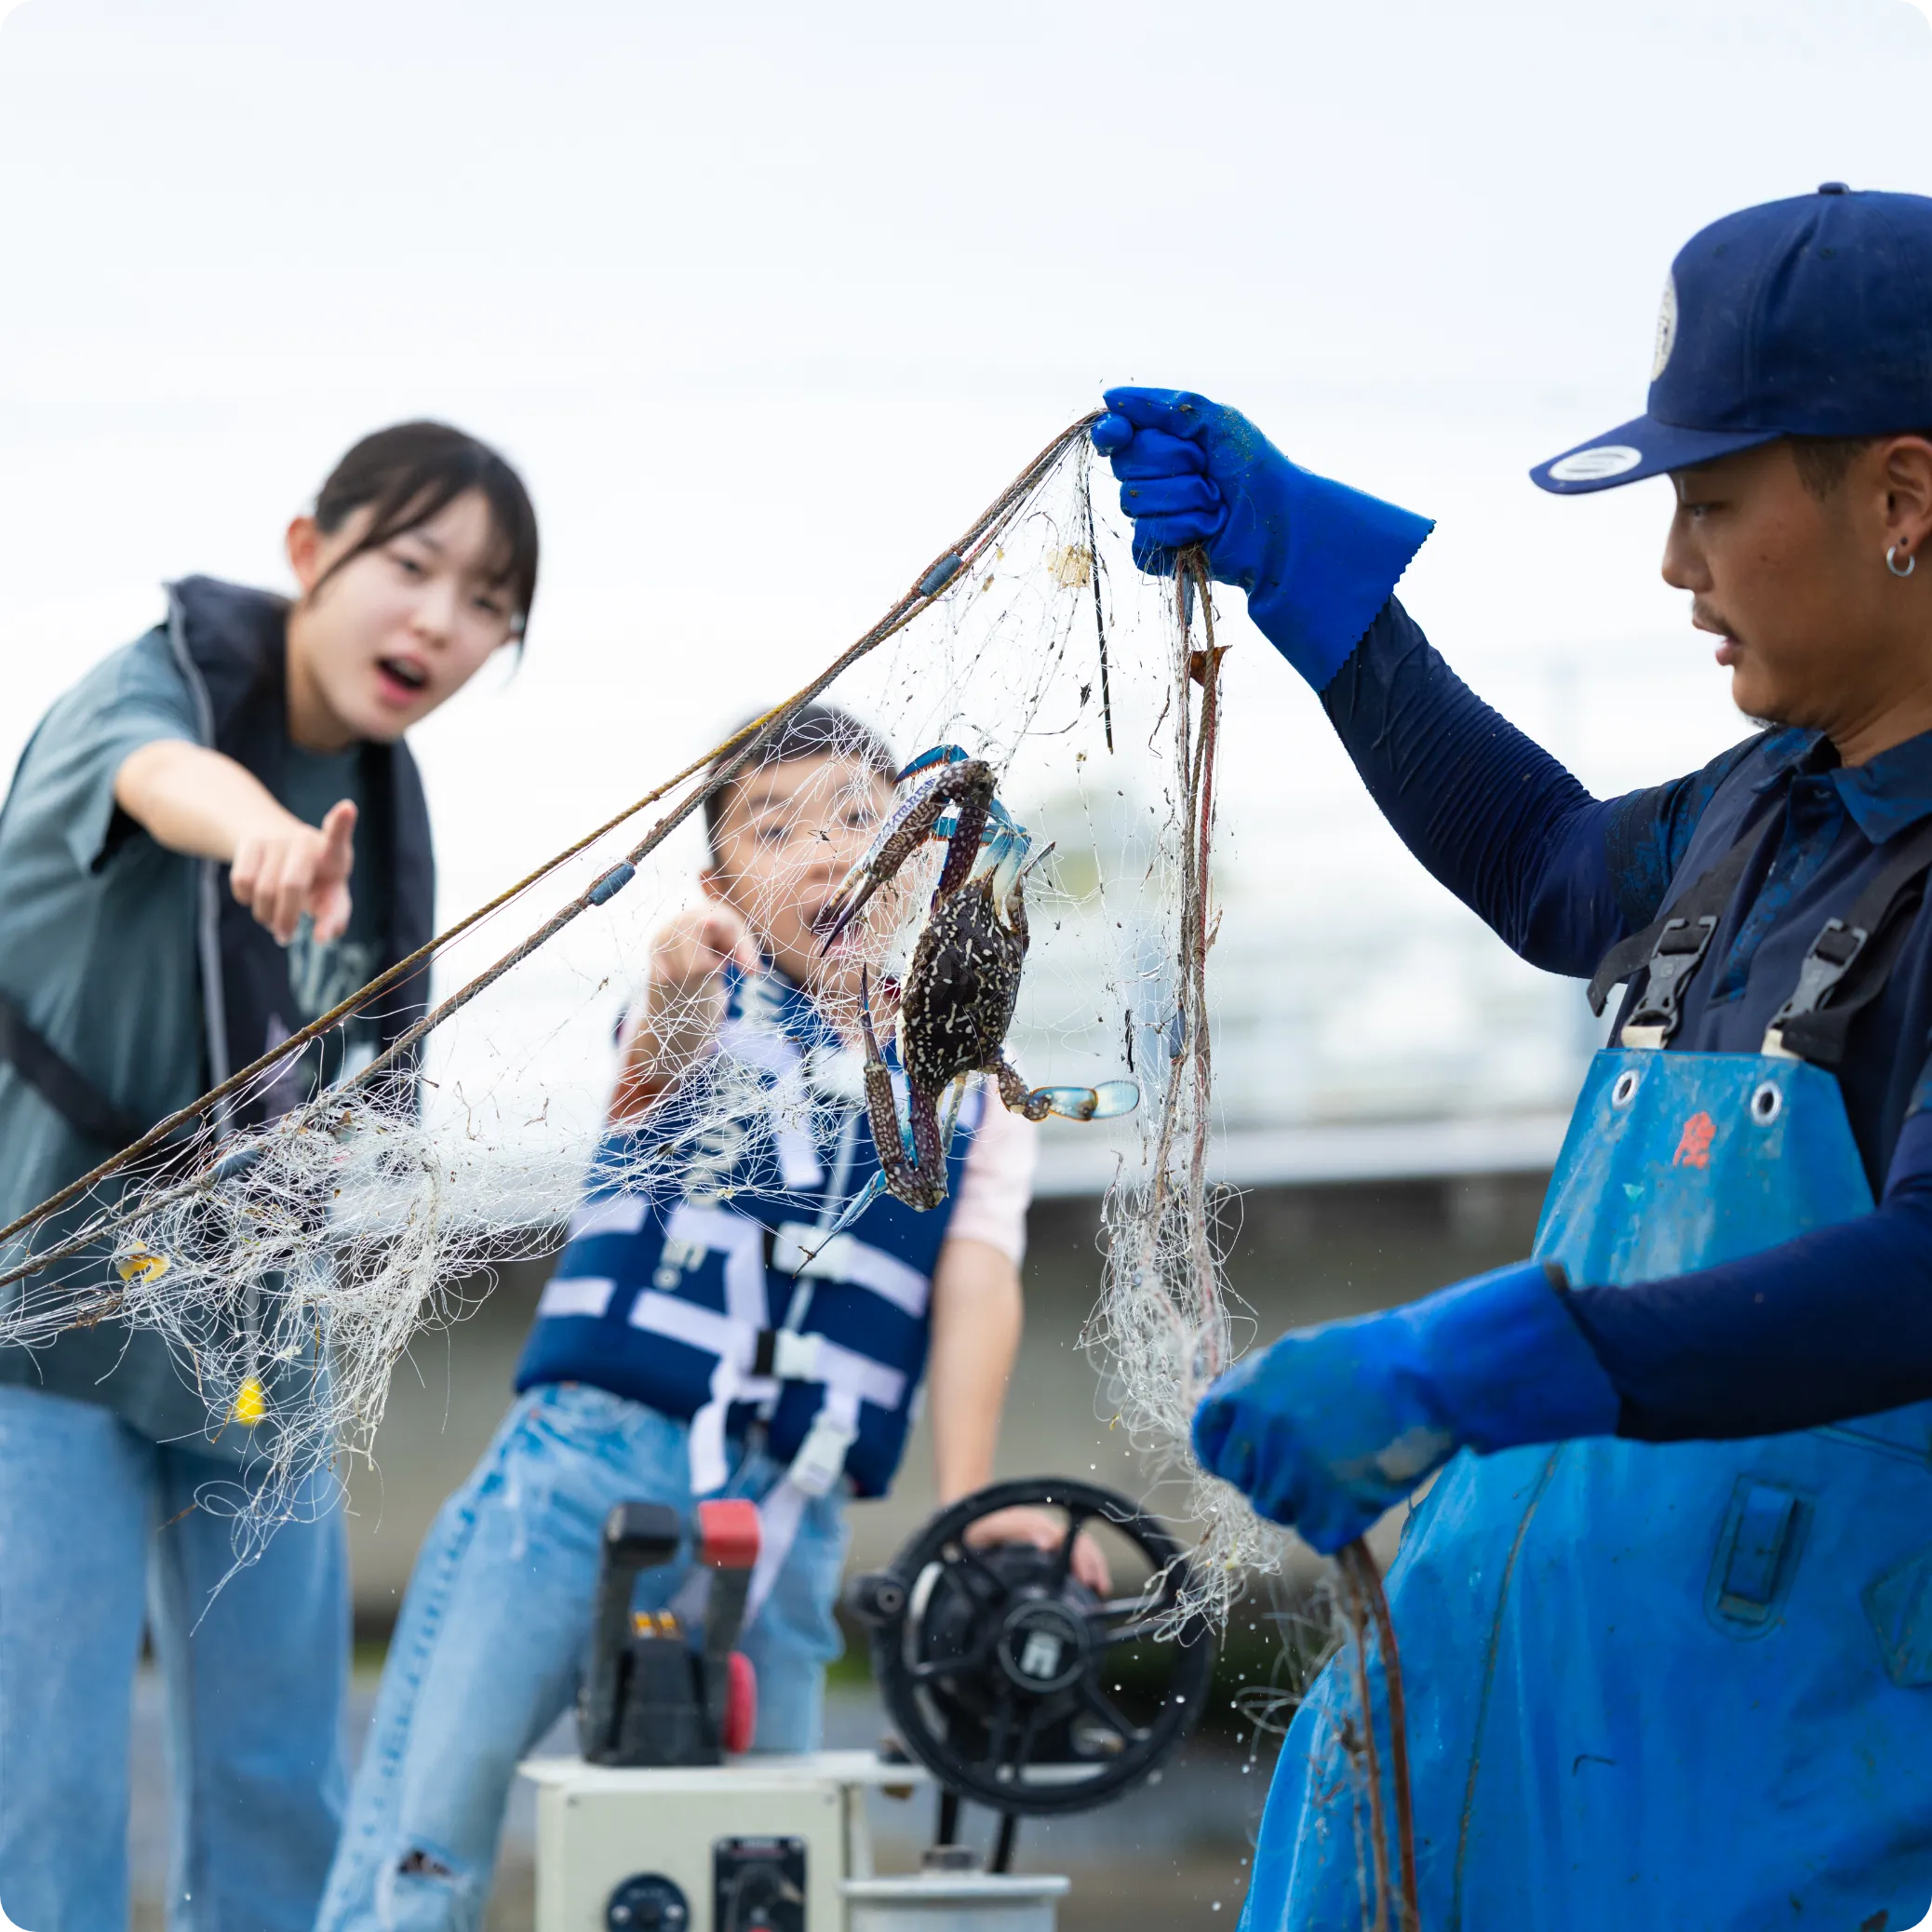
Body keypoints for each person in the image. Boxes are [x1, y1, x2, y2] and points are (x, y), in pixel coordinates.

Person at [1094, 184, 1932, 1928]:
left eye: (1709, 506)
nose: (1676, 568)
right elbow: (1556, 868)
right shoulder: (1762, 805)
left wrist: (1504, 1352)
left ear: (1904, 497)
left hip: (1786, 1822)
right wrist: (1323, 593)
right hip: (1540, 1772)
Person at [317, 704, 1105, 1932]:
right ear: (719, 882)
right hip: (578, 1476)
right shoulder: (695, 995)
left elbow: (977, 1283)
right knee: (420, 1850)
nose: (829, 851)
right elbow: (662, 1056)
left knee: (755, 1885)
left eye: (861, 818)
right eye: (776, 828)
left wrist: (969, 1509)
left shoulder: (971, 1083)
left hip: (790, 1532)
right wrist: (678, 972)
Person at [0, 422, 539, 1932]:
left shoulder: (391, 800)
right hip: (36, 1338)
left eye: (489, 601)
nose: (441, 621)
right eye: (412, 566)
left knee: (284, 1787)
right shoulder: (148, 689)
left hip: (253, 1351)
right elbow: (165, 779)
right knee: (43, 1804)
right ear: (310, 553)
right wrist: (264, 842)